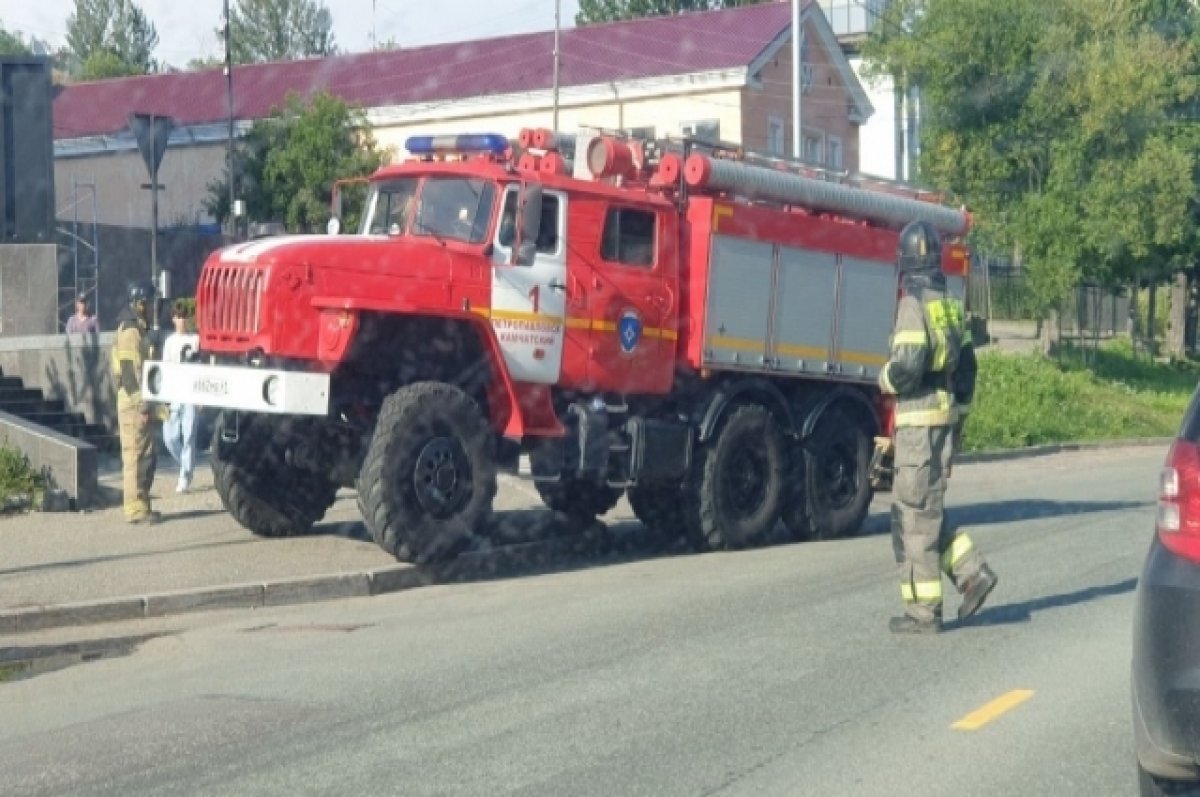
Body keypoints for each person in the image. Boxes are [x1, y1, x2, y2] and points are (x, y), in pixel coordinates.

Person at [879, 220, 997, 634]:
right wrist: (959, 420)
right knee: (927, 508)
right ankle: (972, 573)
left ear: (905, 261)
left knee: (912, 515)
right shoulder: (949, 303)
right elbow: (967, 370)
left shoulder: (912, 303)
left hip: (918, 421)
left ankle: (923, 613)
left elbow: (908, 366)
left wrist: (885, 380)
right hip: (943, 418)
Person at [111, 281, 160, 524]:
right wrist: (142, 407)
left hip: (137, 402)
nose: (153, 308)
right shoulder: (130, 332)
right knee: (134, 456)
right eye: (150, 303)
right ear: (140, 304)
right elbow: (130, 376)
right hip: (133, 404)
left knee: (144, 455)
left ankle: (142, 503)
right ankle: (134, 509)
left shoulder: (137, 329)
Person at [161, 300, 199, 493]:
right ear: (173, 319)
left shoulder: (195, 340)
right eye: (178, 317)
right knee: (170, 436)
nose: (182, 321)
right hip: (174, 392)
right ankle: (186, 465)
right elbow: (165, 369)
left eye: (184, 317)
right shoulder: (169, 342)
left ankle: (185, 475)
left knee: (189, 433)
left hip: (191, 392)